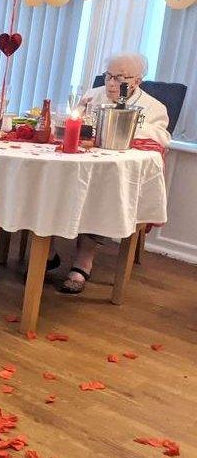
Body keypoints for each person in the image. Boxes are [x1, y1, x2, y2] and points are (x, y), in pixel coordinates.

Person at [59, 53, 171, 293]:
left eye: (119, 78)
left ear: (137, 81)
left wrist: (125, 124)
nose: (110, 83)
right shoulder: (92, 95)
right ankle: (45, 254)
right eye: (108, 76)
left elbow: (162, 138)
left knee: (104, 192)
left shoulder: (154, 108)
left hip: (117, 177)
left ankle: (83, 259)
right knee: (56, 183)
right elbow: (75, 122)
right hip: (83, 168)